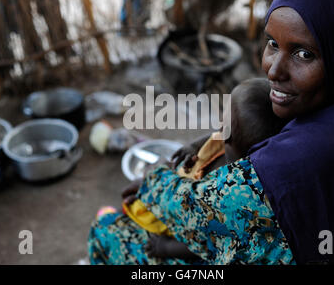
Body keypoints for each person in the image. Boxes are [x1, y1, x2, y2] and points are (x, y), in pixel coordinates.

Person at [89, 0, 334, 265]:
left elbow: (199, 216)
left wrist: (153, 182)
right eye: (272, 44)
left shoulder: (296, 165)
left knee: (105, 234)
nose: (274, 71)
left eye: (304, 53)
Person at [121, 78, 286, 259]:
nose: (220, 125)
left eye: (225, 119)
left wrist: (165, 248)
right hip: (180, 194)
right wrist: (193, 146)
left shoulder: (230, 195)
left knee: (131, 222)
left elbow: (211, 243)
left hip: (186, 230)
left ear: (229, 135)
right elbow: (214, 136)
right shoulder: (240, 144)